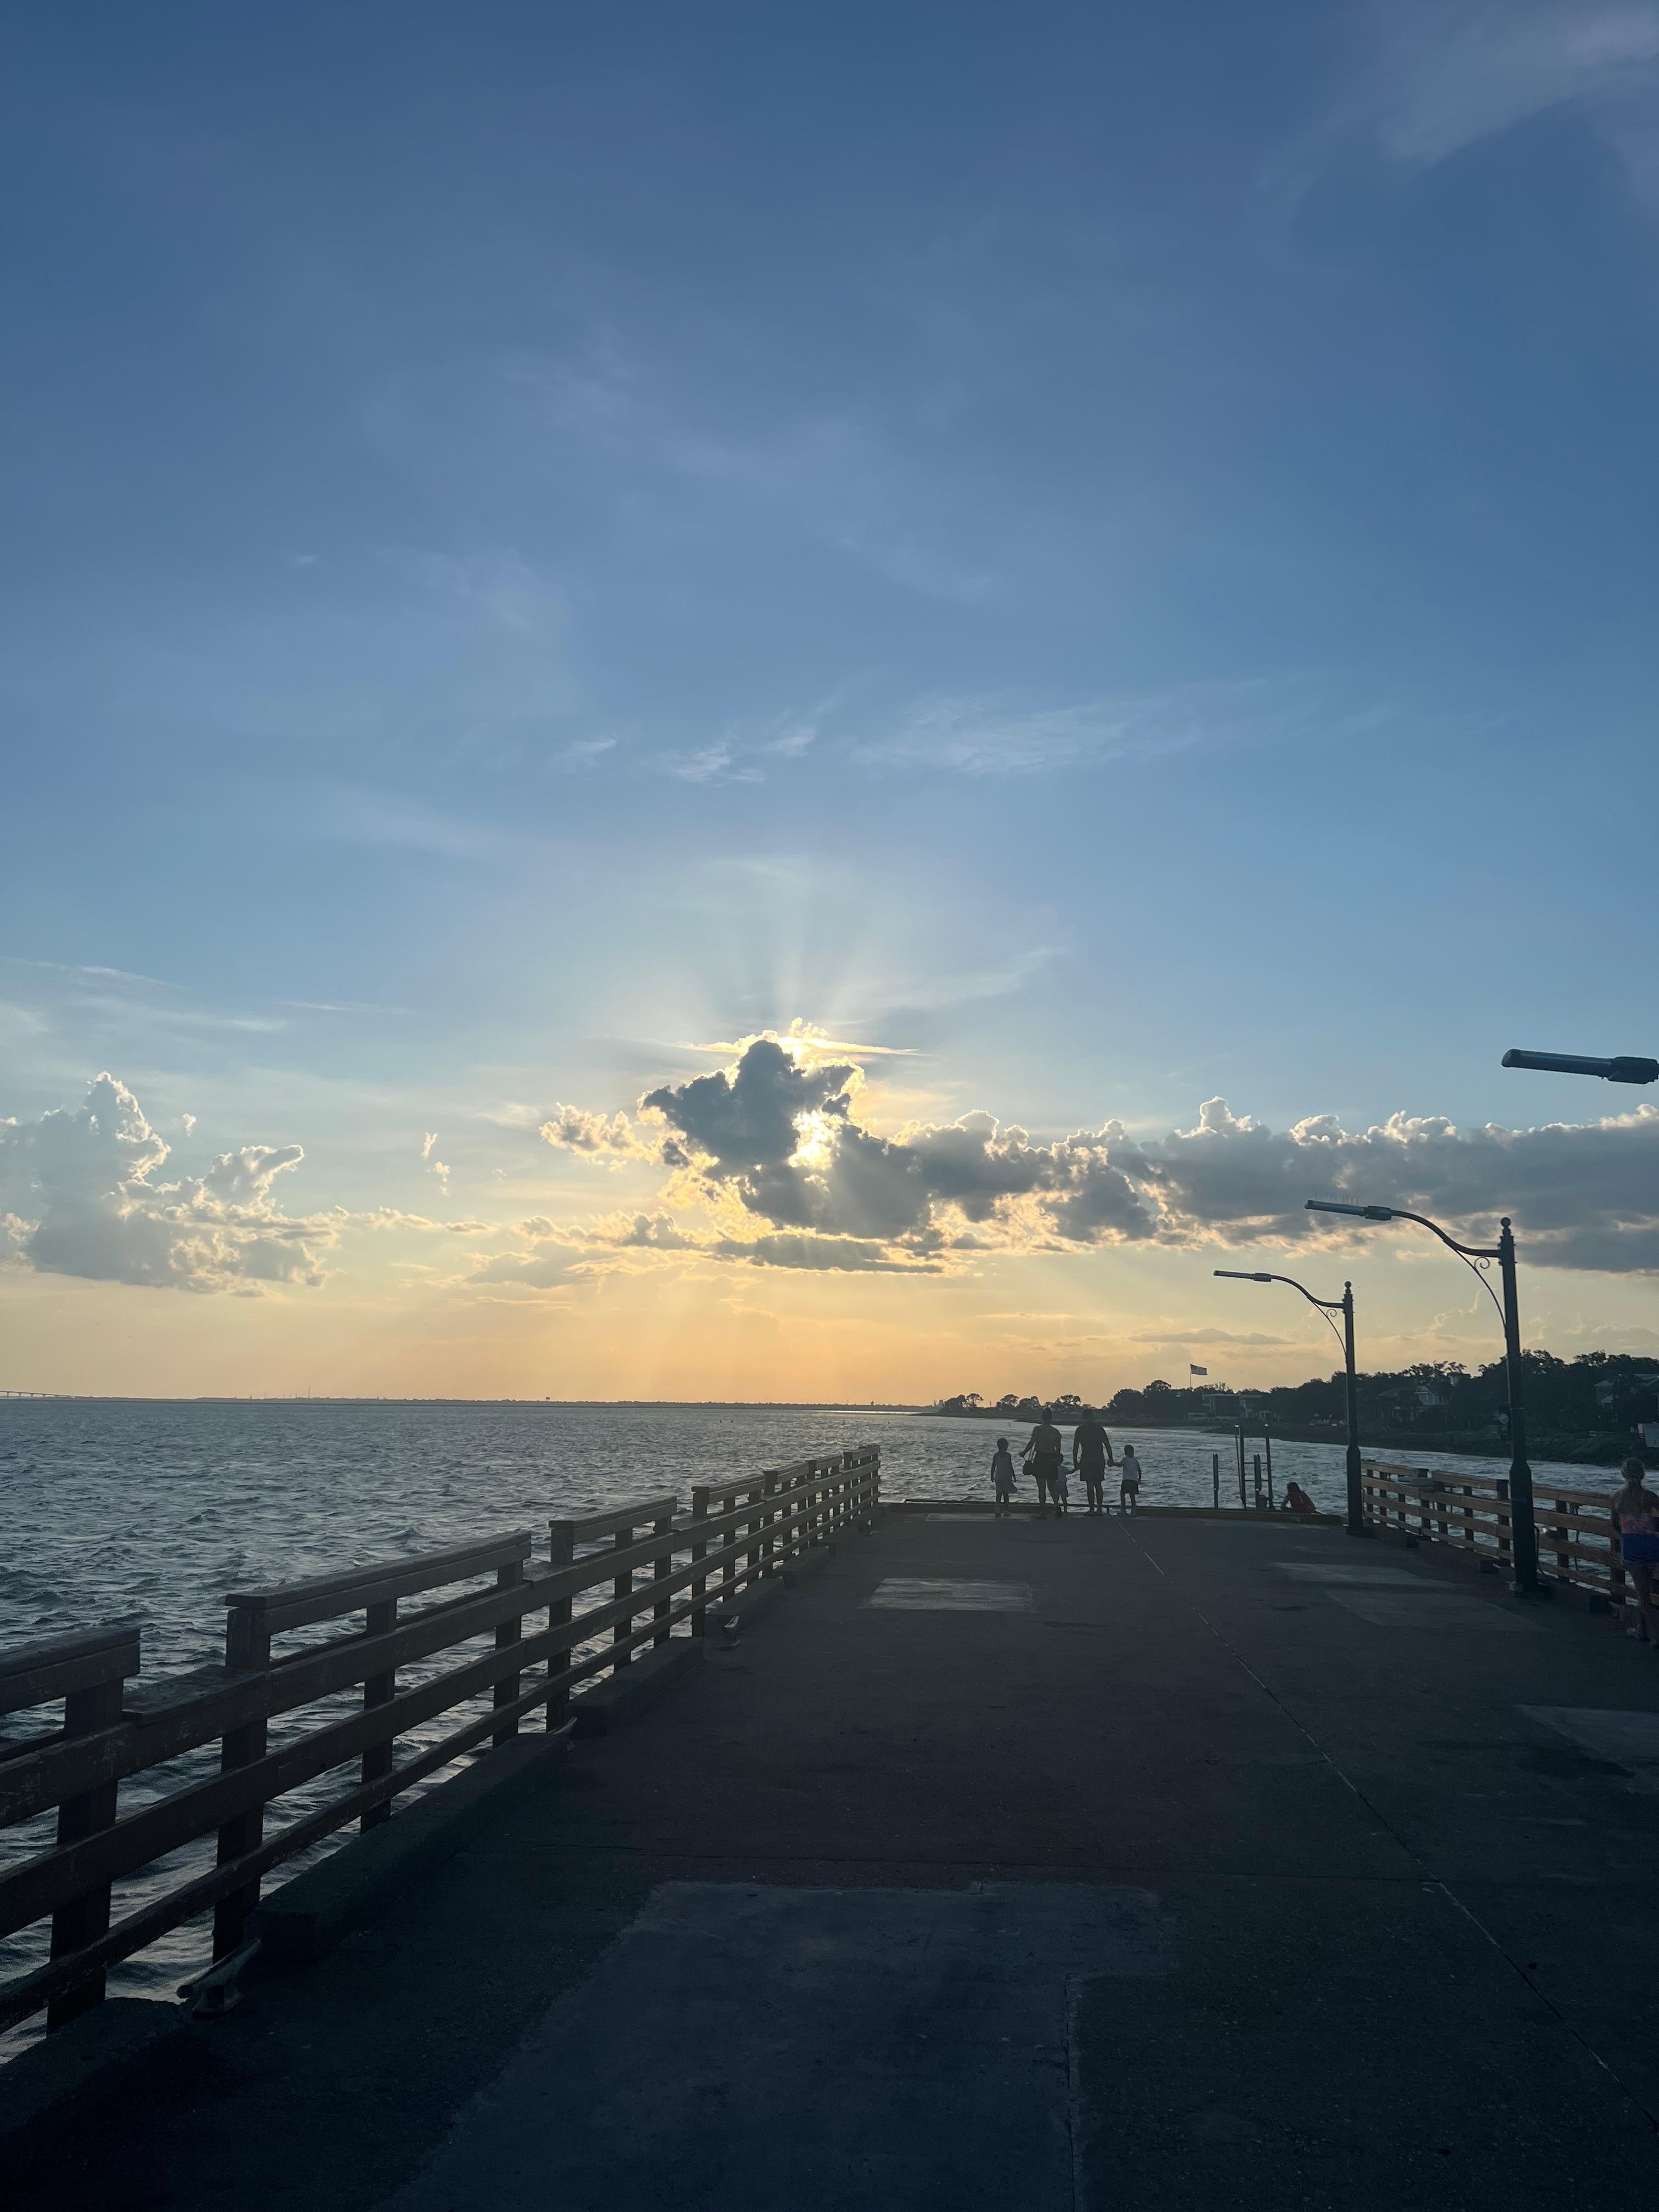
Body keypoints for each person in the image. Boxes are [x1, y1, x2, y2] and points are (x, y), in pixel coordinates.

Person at [1611, 1458, 1659, 1644]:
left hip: (1632, 1543)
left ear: (1624, 1475)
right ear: (1642, 1475)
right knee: (1645, 1589)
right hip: (1650, 1543)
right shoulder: (1649, 1496)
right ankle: (1642, 1630)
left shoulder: (1617, 1497)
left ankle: (1652, 1635)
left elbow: (1614, 1524)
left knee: (1642, 1592)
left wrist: (1625, 1536)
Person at [1023, 1409, 1064, 1519]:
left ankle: (1043, 1512)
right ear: (1051, 1418)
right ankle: (1056, 1506)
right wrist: (1056, 1459)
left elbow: (1031, 1443)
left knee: (1042, 1487)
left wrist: (1024, 1453)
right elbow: (1058, 1449)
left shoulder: (1037, 1429)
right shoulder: (1056, 1432)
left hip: (1040, 1458)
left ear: (1042, 1417)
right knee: (1052, 1486)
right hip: (1051, 1459)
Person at [1073, 1410, 1116, 1514]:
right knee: (1098, 1484)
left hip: (1087, 1460)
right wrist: (1111, 1459)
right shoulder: (1099, 1428)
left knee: (1090, 1485)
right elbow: (1107, 1445)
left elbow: (1076, 1447)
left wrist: (1075, 1461)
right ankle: (1099, 1509)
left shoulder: (1080, 1429)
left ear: (1084, 1417)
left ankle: (1092, 1509)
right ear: (1093, 1416)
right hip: (1099, 1459)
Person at [990, 1437, 1017, 1517]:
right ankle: (1006, 1510)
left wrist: (992, 1475)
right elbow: (1010, 1466)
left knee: (998, 1494)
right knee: (1006, 1494)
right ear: (1006, 1446)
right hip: (1007, 1476)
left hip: (998, 1477)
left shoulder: (996, 1455)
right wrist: (1014, 1476)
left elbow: (993, 1466)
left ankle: (997, 1509)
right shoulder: (1008, 1455)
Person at [1118, 1443, 1143, 1515]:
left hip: (1126, 1480)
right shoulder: (1135, 1461)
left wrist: (1113, 1464)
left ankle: (1123, 1510)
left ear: (1125, 1453)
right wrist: (1139, 1479)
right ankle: (1133, 1510)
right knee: (1132, 1496)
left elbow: (1120, 1465)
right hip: (1134, 1481)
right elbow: (1139, 1470)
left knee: (1122, 1494)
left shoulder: (1125, 1460)